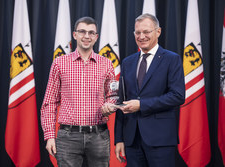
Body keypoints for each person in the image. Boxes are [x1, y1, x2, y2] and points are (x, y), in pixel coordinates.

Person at [41, 16, 116, 167]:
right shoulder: (59, 63)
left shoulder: (107, 64)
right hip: (68, 137)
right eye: (82, 32)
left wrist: (109, 104)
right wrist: (49, 136)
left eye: (91, 32)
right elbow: (49, 102)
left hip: (99, 136)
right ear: (75, 35)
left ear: (96, 37)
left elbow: (113, 94)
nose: (86, 36)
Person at [114, 13, 185, 167]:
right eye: (138, 32)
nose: (142, 36)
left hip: (160, 140)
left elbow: (177, 96)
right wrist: (119, 138)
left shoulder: (171, 59)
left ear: (158, 32)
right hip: (132, 140)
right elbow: (122, 100)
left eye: (146, 32)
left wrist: (141, 105)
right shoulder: (128, 62)